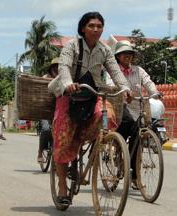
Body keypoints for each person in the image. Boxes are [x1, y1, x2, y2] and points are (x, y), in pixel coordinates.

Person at [48, 12, 132, 204]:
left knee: (108, 115)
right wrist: (69, 83)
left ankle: (95, 142)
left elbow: (116, 72)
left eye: (99, 26)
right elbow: (63, 67)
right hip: (68, 93)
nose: (96, 29)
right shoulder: (71, 46)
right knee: (62, 137)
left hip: (92, 93)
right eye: (91, 25)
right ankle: (62, 185)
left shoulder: (104, 50)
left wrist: (125, 88)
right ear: (83, 28)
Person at [113, 40, 159, 188]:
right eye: (124, 53)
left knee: (139, 138)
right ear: (118, 56)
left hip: (137, 107)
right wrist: (124, 92)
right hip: (119, 107)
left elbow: (148, 81)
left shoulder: (139, 71)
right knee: (125, 127)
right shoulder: (113, 70)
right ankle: (118, 160)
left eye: (130, 54)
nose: (128, 56)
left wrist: (154, 92)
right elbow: (109, 84)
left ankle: (134, 176)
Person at [37, 57, 59, 163]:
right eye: (55, 67)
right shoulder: (44, 78)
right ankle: (40, 152)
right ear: (51, 68)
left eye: (59, 67)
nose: (57, 69)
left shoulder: (65, 79)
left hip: (58, 110)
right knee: (46, 129)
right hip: (45, 110)